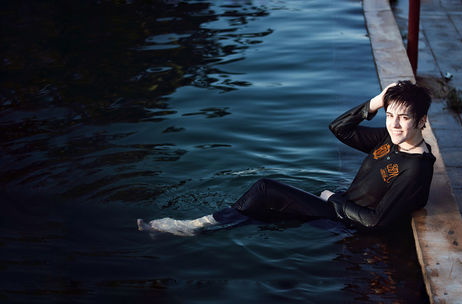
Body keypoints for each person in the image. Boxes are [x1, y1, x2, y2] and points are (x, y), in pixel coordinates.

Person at [137, 80, 435, 236]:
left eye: (404, 118)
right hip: (340, 211)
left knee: (266, 189)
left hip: (345, 223)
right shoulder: (390, 139)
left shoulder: (416, 167)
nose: (394, 124)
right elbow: (339, 129)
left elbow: (375, 222)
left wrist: (333, 198)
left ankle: (195, 226)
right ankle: (200, 227)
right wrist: (376, 101)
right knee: (260, 209)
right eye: (390, 115)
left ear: (421, 121)